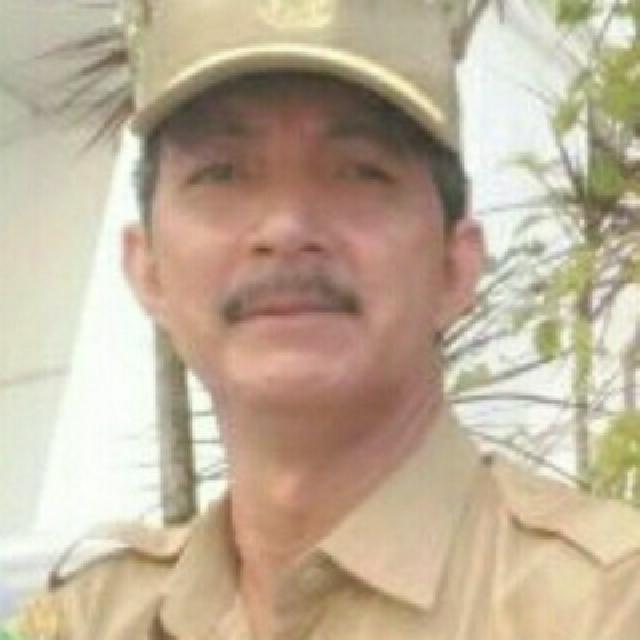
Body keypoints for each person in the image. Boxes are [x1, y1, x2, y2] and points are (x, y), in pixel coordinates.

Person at [5, 1, 640, 638]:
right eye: (222, 173)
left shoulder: (606, 607)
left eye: (360, 172)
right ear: (147, 269)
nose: (286, 228)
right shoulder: (90, 620)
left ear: (455, 266)